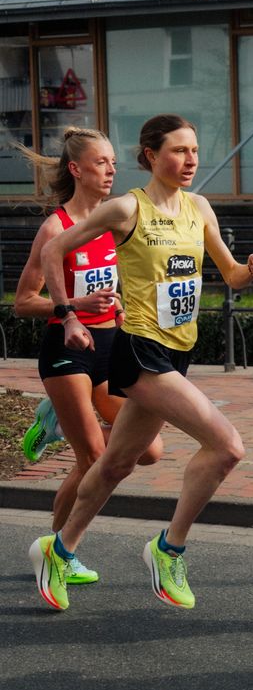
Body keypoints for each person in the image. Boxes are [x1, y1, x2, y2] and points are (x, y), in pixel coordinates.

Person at [27, 114, 253, 613]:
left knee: (115, 463)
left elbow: (230, 273)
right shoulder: (125, 209)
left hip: (179, 351)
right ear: (151, 157)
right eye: (179, 151)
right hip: (140, 349)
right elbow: (55, 249)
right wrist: (67, 314)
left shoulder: (199, 208)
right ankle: (169, 548)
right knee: (227, 447)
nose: (190, 161)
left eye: (195, 151)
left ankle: (60, 548)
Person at [14, 126, 163, 580]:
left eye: (114, 162)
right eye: (102, 162)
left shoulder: (114, 221)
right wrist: (74, 306)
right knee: (93, 458)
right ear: (76, 170)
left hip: (111, 347)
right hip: (68, 352)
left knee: (150, 450)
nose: (111, 170)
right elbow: (22, 303)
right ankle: (59, 554)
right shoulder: (55, 228)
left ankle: (55, 418)